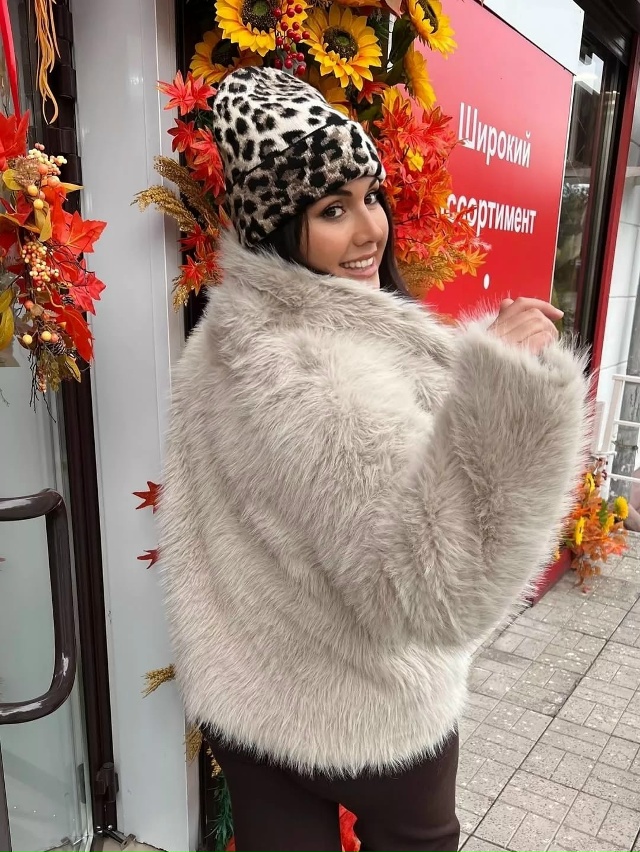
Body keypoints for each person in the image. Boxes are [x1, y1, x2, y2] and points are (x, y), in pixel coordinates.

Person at [158, 66, 589, 852]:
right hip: (367, 707)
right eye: (332, 209)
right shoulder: (307, 370)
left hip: (249, 692)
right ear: (275, 224)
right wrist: (504, 389)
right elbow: (437, 583)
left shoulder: (225, 334)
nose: (370, 230)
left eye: (370, 197)